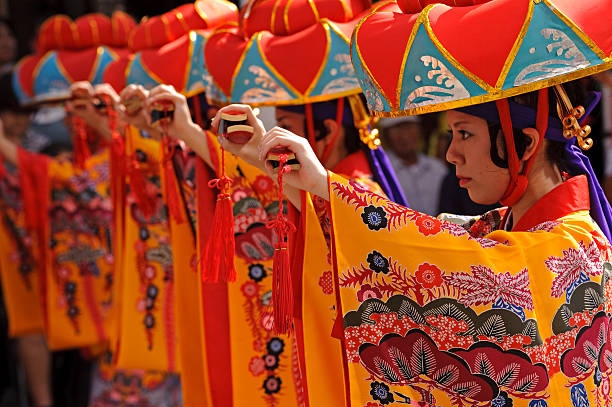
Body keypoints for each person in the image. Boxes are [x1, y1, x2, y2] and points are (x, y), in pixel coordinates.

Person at [226, 78, 612, 404]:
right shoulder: (502, 229)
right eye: (452, 134)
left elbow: (448, 260)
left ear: (526, 144)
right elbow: (424, 242)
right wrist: (289, 171)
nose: (451, 153)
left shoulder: (572, 246)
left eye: (464, 134)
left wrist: (325, 185)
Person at [381, 116, 448, 215]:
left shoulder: (438, 169)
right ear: (386, 135)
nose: (404, 135)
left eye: (408, 127)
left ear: (419, 130)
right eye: (397, 128)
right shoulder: (382, 173)